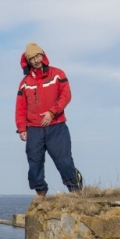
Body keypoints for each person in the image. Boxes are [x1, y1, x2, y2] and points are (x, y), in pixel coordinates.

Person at [15, 43, 82, 197]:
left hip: (56, 126)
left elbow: (66, 96)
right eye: (32, 58)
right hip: (33, 129)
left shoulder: (57, 74)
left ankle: (75, 189)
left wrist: (52, 112)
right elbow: (20, 107)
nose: (36, 60)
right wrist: (22, 128)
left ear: (43, 56)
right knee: (34, 165)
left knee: (64, 162)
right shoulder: (25, 83)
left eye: (38, 56)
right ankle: (41, 193)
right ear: (28, 61)